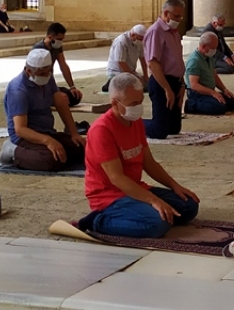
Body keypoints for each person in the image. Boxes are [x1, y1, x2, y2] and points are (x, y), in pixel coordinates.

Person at [80, 73, 200, 238]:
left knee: (189, 206)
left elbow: (149, 162)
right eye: (134, 104)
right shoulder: (102, 130)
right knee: (157, 224)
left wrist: (175, 186)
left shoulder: (134, 121)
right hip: (109, 197)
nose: (138, 107)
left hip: (135, 189)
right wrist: (153, 201)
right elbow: (117, 178)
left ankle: (140, 213)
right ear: (115, 104)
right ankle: (97, 221)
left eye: (140, 102)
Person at [3, 48, 87, 171]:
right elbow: (20, 129)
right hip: (25, 137)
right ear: (28, 71)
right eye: (42, 74)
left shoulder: (48, 78)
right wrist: (48, 141)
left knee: (82, 148)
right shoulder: (18, 90)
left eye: (48, 72)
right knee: (50, 160)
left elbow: (61, 105)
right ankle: (13, 151)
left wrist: (74, 133)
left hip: (46, 131)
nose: (46, 76)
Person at [144, 0, 188, 139]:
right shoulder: (155, 31)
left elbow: (178, 61)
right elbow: (153, 62)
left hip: (175, 81)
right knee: (160, 131)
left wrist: (182, 85)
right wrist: (166, 89)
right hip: (161, 81)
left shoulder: (174, 32)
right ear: (166, 13)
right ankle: (132, 123)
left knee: (174, 129)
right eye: (176, 16)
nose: (179, 19)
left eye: (181, 16)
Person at [184, 32, 234, 115]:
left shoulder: (209, 57)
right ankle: (191, 105)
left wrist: (224, 90)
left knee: (233, 101)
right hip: (197, 94)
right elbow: (194, 85)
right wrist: (213, 93)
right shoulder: (194, 61)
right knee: (219, 108)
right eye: (212, 48)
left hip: (209, 91)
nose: (214, 51)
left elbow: (214, 75)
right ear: (203, 46)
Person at [33, 23, 83, 106]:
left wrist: (72, 87)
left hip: (50, 84)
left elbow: (63, 65)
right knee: (62, 99)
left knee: (75, 97)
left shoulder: (56, 47)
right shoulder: (38, 49)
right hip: (39, 85)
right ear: (50, 37)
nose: (60, 42)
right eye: (59, 39)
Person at [102, 24, 147, 93]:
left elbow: (142, 58)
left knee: (147, 84)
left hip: (130, 71)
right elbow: (121, 63)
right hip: (117, 72)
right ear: (133, 35)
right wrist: (135, 77)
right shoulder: (122, 41)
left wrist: (146, 76)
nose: (142, 41)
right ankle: (111, 83)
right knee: (136, 87)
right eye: (140, 39)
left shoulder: (139, 43)